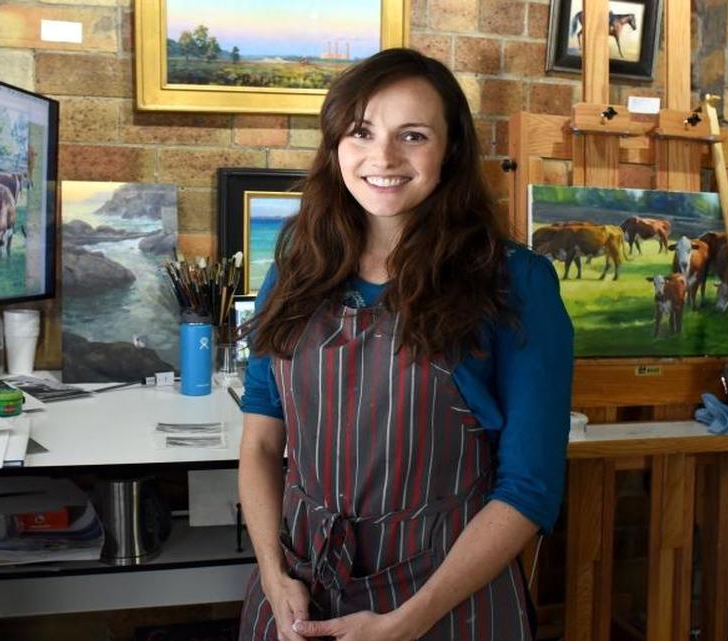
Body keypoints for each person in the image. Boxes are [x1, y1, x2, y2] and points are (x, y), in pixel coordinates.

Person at [237, 48, 573, 641]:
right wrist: (271, 573)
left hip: (447, 603)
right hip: (298, 594)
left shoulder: (516, 282)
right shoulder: (296, 263)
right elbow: (263, 438)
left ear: (451, 151)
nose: (382, 158)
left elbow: (530, 488)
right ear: (336, 143)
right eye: (361, 132)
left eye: (412, 135)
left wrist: (407, 622)